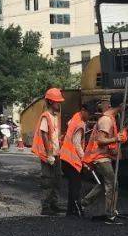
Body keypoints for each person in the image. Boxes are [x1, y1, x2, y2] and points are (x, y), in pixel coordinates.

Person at [81, 94, 128, 225]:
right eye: (126, 104)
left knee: (103, 184)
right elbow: (100, 140)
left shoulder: (111, 118)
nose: (126, 107)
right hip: (100, 157)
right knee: (112, 183)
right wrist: (116, 139)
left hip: (103, 156)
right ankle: (110, 213)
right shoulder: (106, 120)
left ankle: (83, 203)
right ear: (121, 105)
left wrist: (120, 138)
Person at [31, 87, 66, 215]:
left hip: (56, 153)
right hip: (48, 155)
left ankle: (54, 204)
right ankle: (46, 207)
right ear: (51, 102)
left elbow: (53, 135)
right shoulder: (46, 116)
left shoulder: (56, 116)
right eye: (58, 102)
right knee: (48, 180)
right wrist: (49, 154)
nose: (60, 104)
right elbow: (45, 136)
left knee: (57, 179)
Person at [60, 101, 96, 217]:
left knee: (72, 186)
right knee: (75, 186)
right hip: (72, 159)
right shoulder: (80, 124)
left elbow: (68, 123)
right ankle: (75, 210)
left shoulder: (75, 116)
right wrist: (84, 159)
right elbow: (77, 144)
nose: (90, 117)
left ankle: (70, 211)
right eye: (89, 114)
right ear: (84, 111)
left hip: (65, 157)